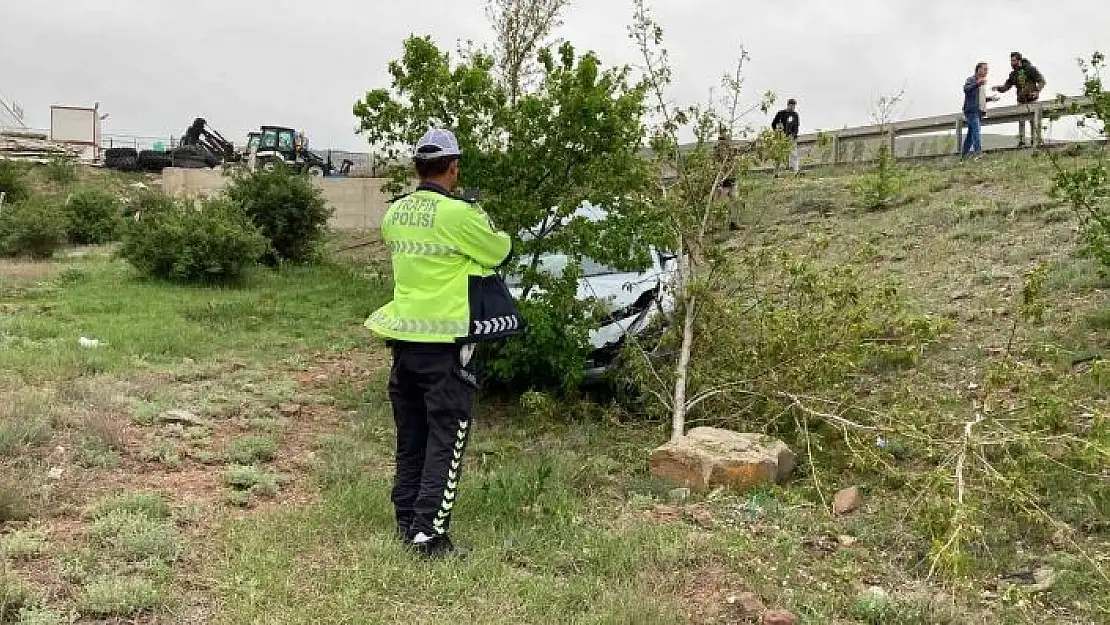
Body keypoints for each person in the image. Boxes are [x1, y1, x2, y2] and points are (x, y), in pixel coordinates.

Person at [365, 128, 524, 558]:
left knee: (411, 436)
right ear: (453, 167)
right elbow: (499, 250)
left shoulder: (394, 214)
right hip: (447, 347)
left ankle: (406, 521)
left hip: (403, 345)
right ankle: (429, 535)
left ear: (417, 167)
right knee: (446, 439)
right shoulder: (458, 215)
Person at [993, 52, 1047, 147]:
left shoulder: (1030, 69)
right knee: (1021, 121)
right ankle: (1021, 141)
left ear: (1019, 60)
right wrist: (998, 88)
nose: (1012, 63)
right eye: (1011, 61)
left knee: (1033, 121)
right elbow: (1007, 86)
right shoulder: (1013, 74)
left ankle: (1034, 141)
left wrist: (1037, 91)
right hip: (1021, 100)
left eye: (1014, 61)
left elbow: (1042, 80)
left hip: (1032, 99)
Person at [962, 62, 999, 159]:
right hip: (971, 111)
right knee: (976, 131)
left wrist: (990, 98)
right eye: (985, 69)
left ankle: (963, 157)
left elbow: (980, 99)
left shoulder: (982, 82)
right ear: (978, 70)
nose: (987, 71)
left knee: (970, 135)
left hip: (978, 111)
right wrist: (977, 83)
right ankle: (978, 154)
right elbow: (966, 89)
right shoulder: (972, 79)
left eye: (987, 69)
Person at [771, 98, 801, 175]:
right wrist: (777, 132)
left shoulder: (795, 115)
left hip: (791, 138)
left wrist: (794, 135)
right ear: (788, 105)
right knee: (779, 155)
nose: (793, 107)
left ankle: (796, 172)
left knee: (794, 154)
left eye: (794, 106)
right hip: (781, 138)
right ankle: (776, 173)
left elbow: (796, 127)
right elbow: (773, 124)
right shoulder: (781, 113)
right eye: (791, 105)